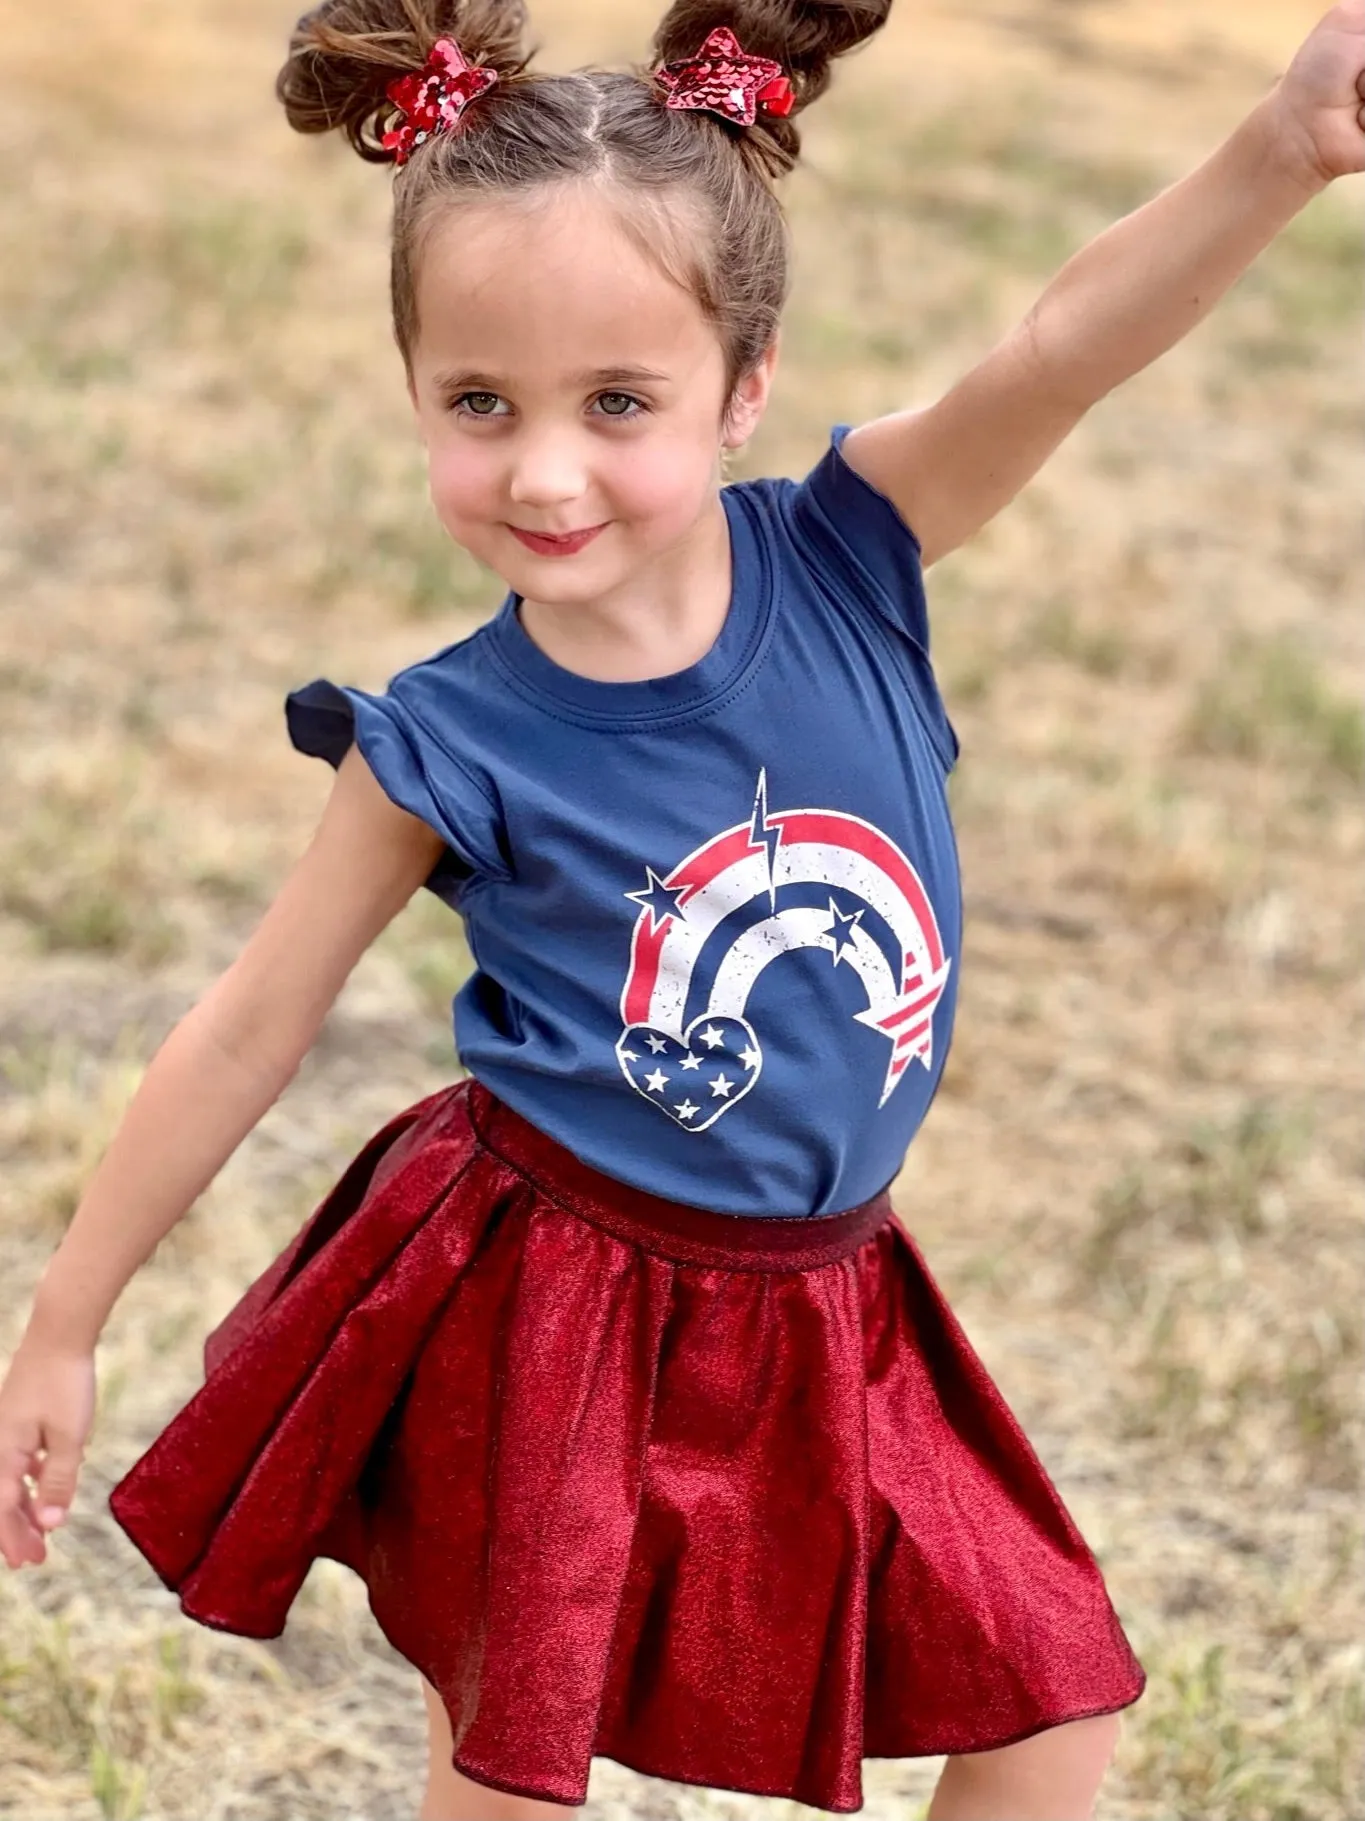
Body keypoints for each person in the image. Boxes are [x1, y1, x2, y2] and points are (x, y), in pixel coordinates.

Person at [2, 1, 1361, 1816]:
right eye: (480, 404)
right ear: (413, 388)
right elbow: (249, 1023)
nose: (544, 473)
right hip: (550, 1300)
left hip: (827, 1296)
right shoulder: (444, 742)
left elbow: (1055, 350)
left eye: (618, 403)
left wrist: (1283, 146)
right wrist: (66, 1322)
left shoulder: (851, 556)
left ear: (745, 383)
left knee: (1049, 1699)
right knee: (515, 1769)